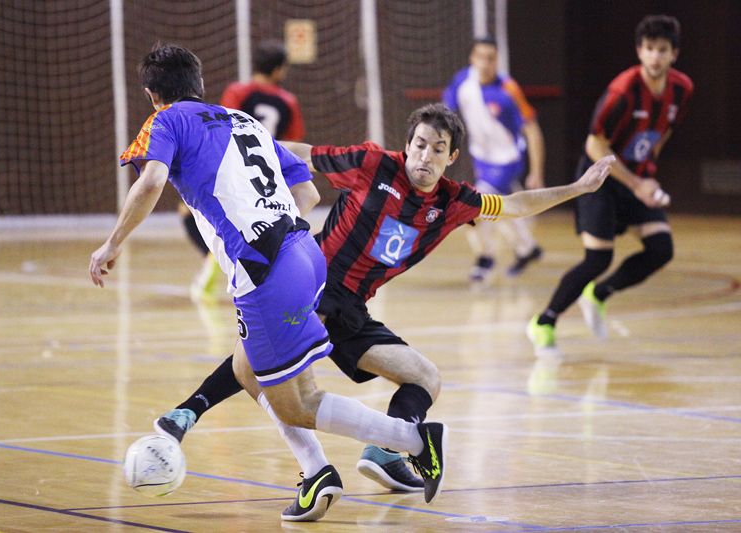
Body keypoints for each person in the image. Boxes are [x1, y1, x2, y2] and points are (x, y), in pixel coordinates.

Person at [152, 102, 614, 520]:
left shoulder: (455, 201)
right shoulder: (373, 164)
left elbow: (513, 205)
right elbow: (304, 153)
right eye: (418, 145)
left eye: (438, 150)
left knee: (425, 378)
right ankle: (191, 416)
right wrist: (238, 148)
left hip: (352, 309)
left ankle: (383, 451)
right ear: (406, 144)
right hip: (313, 284)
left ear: (451, 158)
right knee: (258, 370)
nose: (425, 157)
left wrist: (579, 187)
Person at [89, 43, 451, 522]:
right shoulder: (244, 121)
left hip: (264, 272)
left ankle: (410, 439)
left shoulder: (167, 121)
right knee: (247, 369)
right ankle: (316, 471)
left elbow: (151, 181)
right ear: (200, 86)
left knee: (300, 403)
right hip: (304, 252)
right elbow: (307, 190)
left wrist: (112, 244)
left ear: (153, 95)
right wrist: (273, 233)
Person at [526, 15, 693, 357]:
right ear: (639, 51)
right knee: (597, 259)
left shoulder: (682, 89)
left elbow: (664, 131)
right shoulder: (623, 91)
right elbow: (594, 145)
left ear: (674, 53)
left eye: (662, 50)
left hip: (634, 177)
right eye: (649, 49)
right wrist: (636, 182)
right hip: (599, 178)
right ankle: (544, 322)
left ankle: (599, 295)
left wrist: (648, 173)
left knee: (661, 248)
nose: (655, 57)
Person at [185, 40, 306, 301]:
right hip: (270, 172)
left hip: (237, 168)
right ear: (278, 70)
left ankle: (216, 262)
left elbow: (222, 127)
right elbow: (293, 142)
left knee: (196, 213)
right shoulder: (288, 100)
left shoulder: (238, 91)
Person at [443, 36, 546, 282]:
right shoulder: (463, 82)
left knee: (475, 208)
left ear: (497, 60)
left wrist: (537, 172)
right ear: (472, 58)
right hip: (482, 158)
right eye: (481, 57)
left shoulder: (507, 90)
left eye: (491, 58)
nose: (486, 63)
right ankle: (527, 248)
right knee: (504, 207)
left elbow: (532, 131)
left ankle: (485, 257)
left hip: (507, 159)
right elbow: (446, 113)